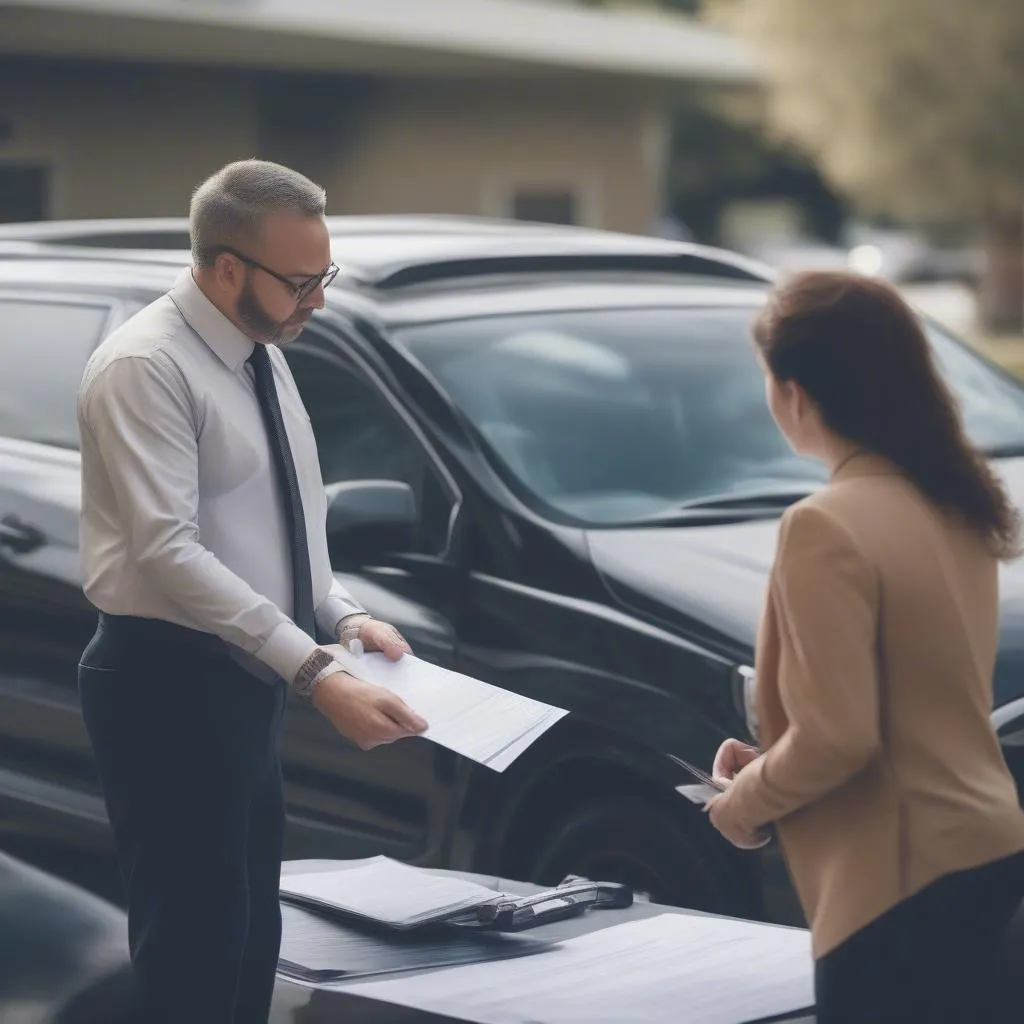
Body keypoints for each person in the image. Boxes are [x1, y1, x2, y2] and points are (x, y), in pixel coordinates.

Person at [76, 159, 428, 1024]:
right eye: (301, 282)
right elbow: (168, 552)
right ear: (226, 267)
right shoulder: (147, 367)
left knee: (248, 945)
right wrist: (313, 672)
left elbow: (280, 523)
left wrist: (342, 617)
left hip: (244, 683)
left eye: (325, 277)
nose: (318, 299)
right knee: (194, 955)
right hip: (165, 683)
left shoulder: (261, 350)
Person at [705, 271, 1024, 1024]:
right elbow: (915, 706)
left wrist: (744, 805)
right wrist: (777, 757)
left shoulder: (824, 524)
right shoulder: (955, 501)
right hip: (983, 850)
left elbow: (841, 736)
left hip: (895, 881)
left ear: (796, 393)